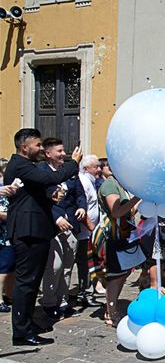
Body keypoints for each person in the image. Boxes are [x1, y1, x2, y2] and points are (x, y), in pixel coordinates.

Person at [4, 128, 82, 346]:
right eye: (37, 145)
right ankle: (21, 332)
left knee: (32, 281)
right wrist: (73, 162)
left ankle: (27, 324)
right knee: (26, 283)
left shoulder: (26, 166)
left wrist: (51, 196)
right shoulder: (20, 164)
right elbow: (52, 176)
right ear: (24, 147)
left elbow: (38, 190)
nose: (40, 148)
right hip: (28, 230)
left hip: (37, 229)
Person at [40, 138, 88, 320]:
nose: (63, 154)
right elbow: (42, 200)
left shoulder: (69, 171)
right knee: (54, 267)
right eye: (59, 151)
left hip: (71, 227)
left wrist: (82, 206)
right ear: (48, 153)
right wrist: (57, 218)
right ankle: (49, 302)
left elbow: (79, 193)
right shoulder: (41, 173)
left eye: (63, 150)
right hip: (52, 227)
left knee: (68, 267)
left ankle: (63, 301)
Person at [98, 171, 141, 327]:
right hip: (112, 236)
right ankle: (110, 312)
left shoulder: (121, 185)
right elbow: (116, 211)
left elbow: (128, 212)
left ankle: (112, 307)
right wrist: (137, 197)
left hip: (122, 233)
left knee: (123, 273)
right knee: (115, 275)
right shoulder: (110, 184)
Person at [76, 155, 102, 308]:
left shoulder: (91, 181)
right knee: (85, 264)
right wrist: (91, 227)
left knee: (88, 263)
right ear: (86, 168)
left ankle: (85, 292)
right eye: (95, 167)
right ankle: (85, 293)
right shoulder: (84, 182)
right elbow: (83, 207)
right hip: (85, 232)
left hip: (89, 231)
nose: (98, 169)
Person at [0, 158, 17, 312]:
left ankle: (10, 294)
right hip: (3, 232)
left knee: (11, 265)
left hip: (9, 231)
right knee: (3, 267)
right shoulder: (1, 187)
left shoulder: (8, 186)